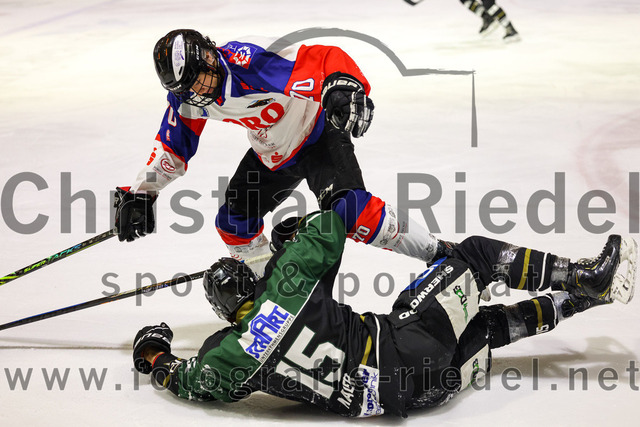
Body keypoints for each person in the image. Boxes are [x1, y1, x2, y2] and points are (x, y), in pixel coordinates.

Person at [132, 210, 637, 417]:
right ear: (254, 282)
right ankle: (582, 276)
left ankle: (581, 301)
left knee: (483, 326)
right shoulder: (287, 285)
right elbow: (331, 225)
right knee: (477, 256)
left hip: (416, 396)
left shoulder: (229, 355)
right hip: (407, 344)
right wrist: (292, 235)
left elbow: (188, 379)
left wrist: (155, 353)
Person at [113, 29, 437, 277]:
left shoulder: (252, 63)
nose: (197, 93)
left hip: (317, 134)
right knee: (233, 225)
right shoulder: (189, 97)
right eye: (186, 89)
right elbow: (172, 146)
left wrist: (343, 86)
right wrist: (143, 192)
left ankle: (438, 253)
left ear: (210, 56)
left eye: (197, 80)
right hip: (273, 153)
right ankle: (272, 288)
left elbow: (324, 58)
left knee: (350, 212)